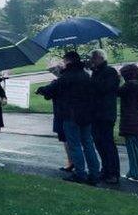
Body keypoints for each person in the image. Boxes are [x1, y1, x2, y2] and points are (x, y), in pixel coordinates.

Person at [37, 51, 100, 185]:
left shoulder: (66, 77)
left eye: (64, 62)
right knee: (88, 143)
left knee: (74, 145)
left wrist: (41, 89)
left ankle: (80, 173)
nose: (63, 64)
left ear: (69, 62)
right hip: (86, 115)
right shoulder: (85, 75)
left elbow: (51, 90)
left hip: (71, 115)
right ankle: (94, 173)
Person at [89, 49, 121, 184]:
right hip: (96, 113)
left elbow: (103, 89)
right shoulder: (97, 73)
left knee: (107, 143)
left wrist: (93, 75)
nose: (92, 61)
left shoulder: (110, 72)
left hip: (106, 113)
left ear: (100, 58)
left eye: (94, 58)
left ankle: (113, 172)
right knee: (99, 142)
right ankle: (106, 169)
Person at [118, 64, 138, 183]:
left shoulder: (128, 86)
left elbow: (117, 92)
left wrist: (116, 79)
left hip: (130, 121)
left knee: (134, 150)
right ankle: (135, 172)